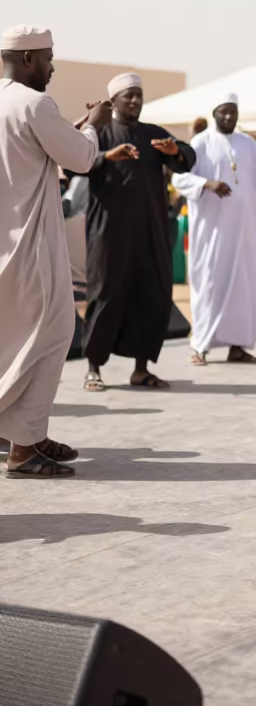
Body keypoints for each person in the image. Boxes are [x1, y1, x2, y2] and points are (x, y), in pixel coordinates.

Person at [0, 25, 111, 477]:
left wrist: (76, 129)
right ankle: (24, 448)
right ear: (28, 59)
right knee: (53, 335)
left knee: (11, 340)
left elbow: (41, 148)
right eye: (47, 58)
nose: (51, 67)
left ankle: (27, 432)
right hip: (30, 245)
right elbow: (81, 159)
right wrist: (96, 129)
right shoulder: (34, 103)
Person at [82, 72, 195, 391]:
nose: (135, 101)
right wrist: (107, 156)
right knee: (105, 294)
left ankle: (141, 370)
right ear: (114, 100)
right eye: (128, 95)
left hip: (150, 229)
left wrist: (174, 152)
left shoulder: (152, 134)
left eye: (139, 96)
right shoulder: (100, 132)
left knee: (152, 294)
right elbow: (77, 161)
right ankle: (93, 369)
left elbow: (187, 156)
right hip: (109, 230)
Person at [172, 94, 256, 365]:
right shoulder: (200, 143)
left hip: (245, 231)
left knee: (243, 286)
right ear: (214, 113)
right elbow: (179, 177)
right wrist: (206, 184)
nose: (228, 117)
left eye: (233, 112)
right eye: (223, 112)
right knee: (209, 284)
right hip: (212, 232)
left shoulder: (249, 145)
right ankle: (199, 347)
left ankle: (238, 346)